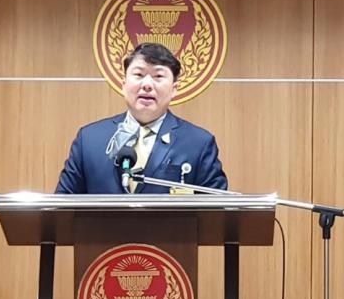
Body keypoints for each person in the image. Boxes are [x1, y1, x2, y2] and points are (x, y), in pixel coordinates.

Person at [55, 43, 228, 194]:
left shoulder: (198, 143)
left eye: (158, 76)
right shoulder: (89, 139)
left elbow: (216, 211)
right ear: (124, 84)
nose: (147, 85)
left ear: (174, 89)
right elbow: (62, 207)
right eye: (138, 75)